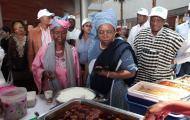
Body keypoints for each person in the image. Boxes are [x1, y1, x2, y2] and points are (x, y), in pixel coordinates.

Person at [88, 9, 138, 109]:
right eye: (101, 32)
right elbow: (90, 66)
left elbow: (131, 72)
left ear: (115, 31)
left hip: (114, 92)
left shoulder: (121, 48)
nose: (105, 35)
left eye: (109, 32)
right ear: (97, 32)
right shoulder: (93, 46)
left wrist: (107, 74)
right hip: (95, 90)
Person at [134, 6, 184, 82]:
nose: (155, 23)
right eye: (153, 20)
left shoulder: (173, 37)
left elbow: (188, 52)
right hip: (140, 81)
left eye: (159, 20)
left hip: (162, 83)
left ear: (164, 21)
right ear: (149, 20)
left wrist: (175, 61)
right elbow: (134, 52)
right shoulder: (141, 34)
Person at [32, 16, 81, 93]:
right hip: (50, 90)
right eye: (57, 33)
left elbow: (77, 73)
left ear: (66, 33)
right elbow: (35, 68)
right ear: (52, 33)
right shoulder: (44, 50)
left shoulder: (72, 51)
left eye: (63, 33)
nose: (60, 36)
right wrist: (43, 73)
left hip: (69, 91)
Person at [7, 20, 37, 91]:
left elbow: (33, 54)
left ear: (24, 27)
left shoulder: (29, 38)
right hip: (16, 72)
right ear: (14, 30)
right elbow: (9, 55)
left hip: (28, 70)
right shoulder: (12, 39)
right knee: (20, 92)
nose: (18, 30)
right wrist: (11, 68)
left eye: (20, 27)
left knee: (31, 90)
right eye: (16, 28)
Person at [175, 3, 190, 77]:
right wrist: (173, 65)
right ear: (188, 13)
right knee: (179, 86)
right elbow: (174, 47)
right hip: (182, 64)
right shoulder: (180, 28)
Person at [78, 18, 93, 86]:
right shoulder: (79, 39)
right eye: (87, 26)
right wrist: (79, 67)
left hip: (90, 66)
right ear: (82, 27)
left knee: (87, 84)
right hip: (80, 66)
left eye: (90, 26)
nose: (89, 27)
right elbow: (77, 54)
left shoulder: (93, 39)